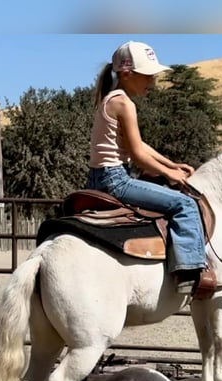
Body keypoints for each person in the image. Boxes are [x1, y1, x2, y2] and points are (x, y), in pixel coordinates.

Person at [87, 40, 209, 294]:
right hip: (116, 180)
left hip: (98, 178)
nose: (152, 82)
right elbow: (137, 154)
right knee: (185, 204)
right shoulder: (124, 104)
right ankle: (189, 272)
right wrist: (171, 174)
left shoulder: (112, 99)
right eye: (148, 76)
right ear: (127, 73)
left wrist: (170, 163)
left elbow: (139, 144)